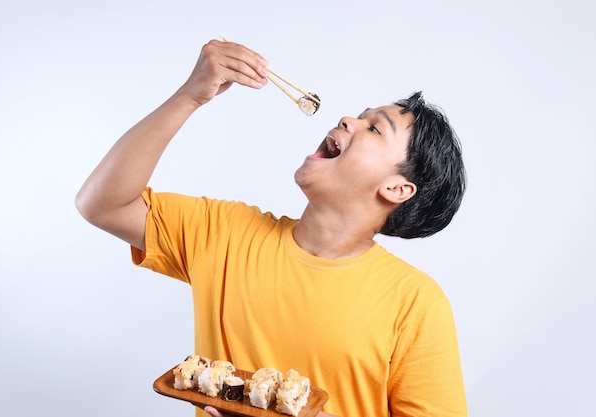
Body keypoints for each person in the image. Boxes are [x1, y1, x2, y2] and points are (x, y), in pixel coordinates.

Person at [76, 39, 468, 417]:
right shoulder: (224, 232)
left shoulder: (415, 303)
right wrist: (190, 96)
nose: (348, 119)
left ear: (397, 189)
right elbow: (100, 203)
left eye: (375, 129)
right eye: (359, 115)